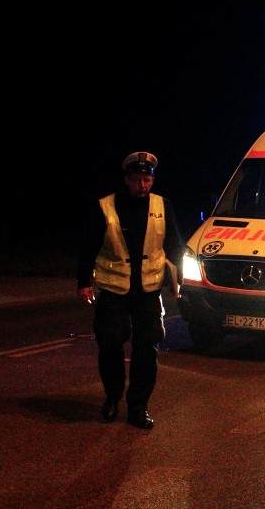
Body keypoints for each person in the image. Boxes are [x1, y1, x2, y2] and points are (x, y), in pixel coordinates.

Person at [76, 151, 183, 429]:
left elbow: (174, 245)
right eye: (137, 180)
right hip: (114, 290)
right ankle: (112, 397)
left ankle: (138, 407)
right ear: (127, 180)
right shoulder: (106, 207)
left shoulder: (163, 206)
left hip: (148, 291)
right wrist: (83, 281)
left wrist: (178, 277)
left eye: (147, 179)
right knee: (110, 345)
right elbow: (88, 246)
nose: (143, 185)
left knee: (146, 348)